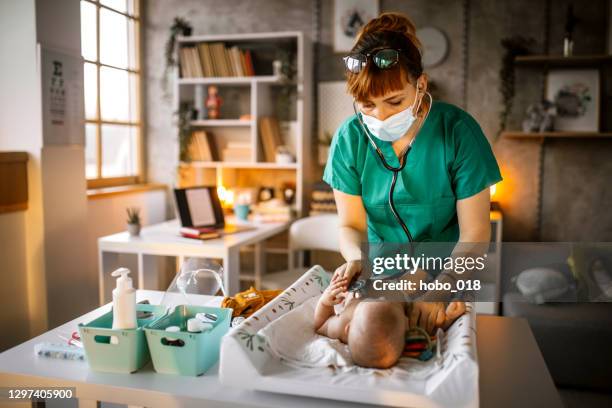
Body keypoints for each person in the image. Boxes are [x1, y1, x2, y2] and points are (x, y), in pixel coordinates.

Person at [323, 12, 502, 331]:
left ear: (420, 85)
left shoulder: (458, 132)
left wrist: (439, 289)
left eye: (394, 101)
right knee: (362, 336)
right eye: (367, 105)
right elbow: (350, 224)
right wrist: (355, 259)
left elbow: (475, 235)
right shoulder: (349, 139)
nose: (380, 116)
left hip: (447, 273)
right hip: (379, 275)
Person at [313, 273, 466, 369]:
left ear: (348, 329)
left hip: (368, 281)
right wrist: (449, 317)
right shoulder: (408, 326)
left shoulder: (340, 325)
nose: (380, 298)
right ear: (406, 325)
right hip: (402, 289)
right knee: (420, 274)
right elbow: (432, 324)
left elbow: (320, 324)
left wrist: (325, 302)